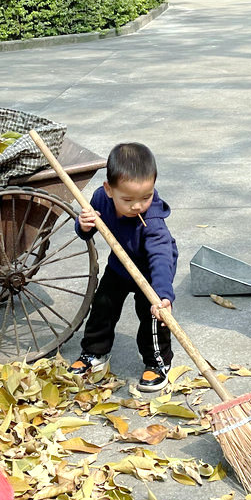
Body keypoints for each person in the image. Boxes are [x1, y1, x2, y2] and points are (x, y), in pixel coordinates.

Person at [70, 142, 177, 393]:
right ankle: (95, 353)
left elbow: (161, 258)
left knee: (152, 317)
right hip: (120, 266)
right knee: (103, 306)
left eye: (146, 197)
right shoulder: (99, 199)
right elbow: (88, 230)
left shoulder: (153, 223)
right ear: (109, 189)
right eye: (127, 199)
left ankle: (158, 362)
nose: (137, 206)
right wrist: (84, 225)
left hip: (152, 274)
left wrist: (163, 295)